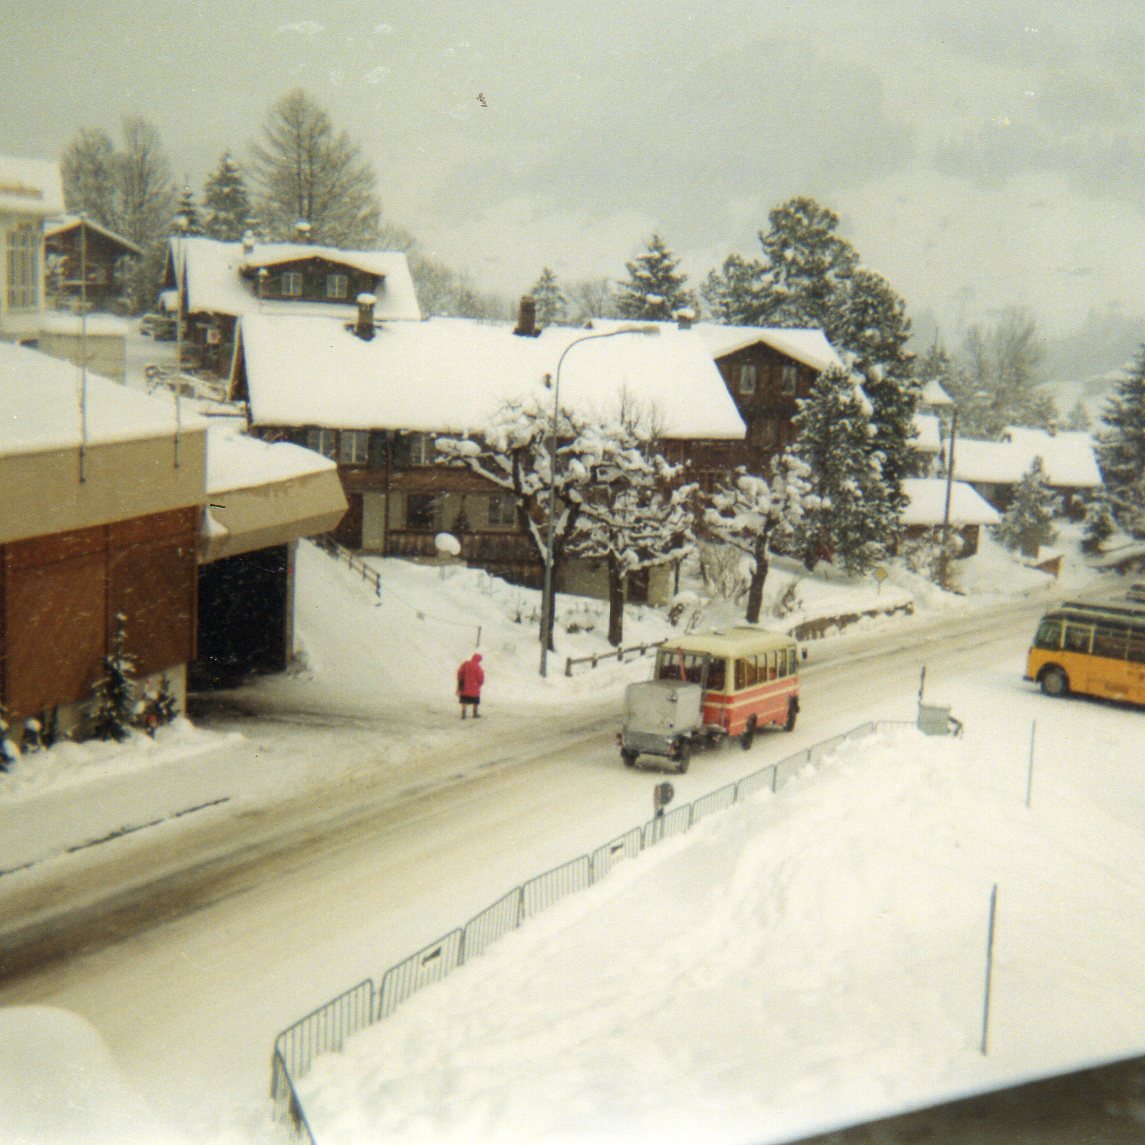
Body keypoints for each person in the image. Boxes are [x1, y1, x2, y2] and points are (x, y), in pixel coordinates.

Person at [456, 652, 484, 718]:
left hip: (465, 686)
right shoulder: (478, 667)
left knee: (464, 700)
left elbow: (460, 672)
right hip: (474, 687)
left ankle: (463, 713)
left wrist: (460, 679)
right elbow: (480, 677)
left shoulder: (466, 664)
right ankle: (475, 713)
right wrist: (480, 683)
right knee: (475, 700)